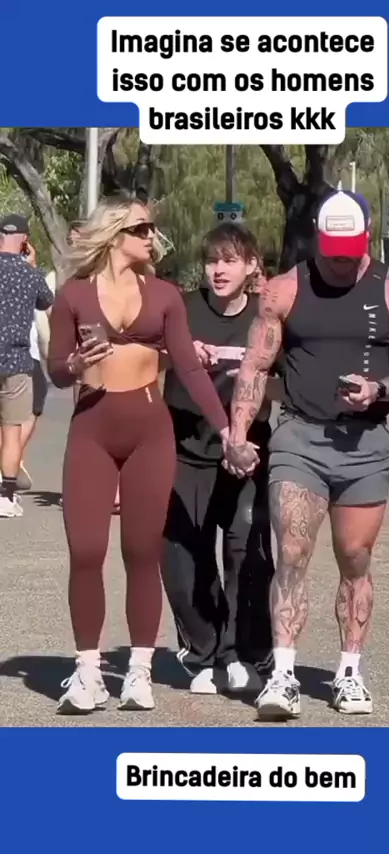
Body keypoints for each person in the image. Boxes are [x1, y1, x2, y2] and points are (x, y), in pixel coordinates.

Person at [224, 189, 389, 720]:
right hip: (300, 438)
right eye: (332, 249)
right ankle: (284, 675)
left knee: (354, 557)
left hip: (365, 445)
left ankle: (349, 673)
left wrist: (380, 389)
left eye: (350, 249)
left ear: (366, 237)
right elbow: (255, 365)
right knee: (292, 553)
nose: (341, 260)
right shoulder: (284, 290)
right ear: (318, 237)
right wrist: (238, 432)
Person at [46, 193, 229, 715]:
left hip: (150, 432)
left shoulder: (165, 295)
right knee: (86, 551)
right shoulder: (74, 295)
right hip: (92, 430)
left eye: (151, 229)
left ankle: (139, 671)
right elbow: (56, 371)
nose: (152, 237)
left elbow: (189, 368)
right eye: (142, 229)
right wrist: (76, 363)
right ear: (114, 236)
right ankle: (88, 672)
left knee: (142, 553)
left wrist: (226, 429)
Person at [161, 223, 276, 695]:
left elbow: (282, 377)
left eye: (229, 260)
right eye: (212, 261)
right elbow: (148, 354)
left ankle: (240, 652)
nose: (218, 270)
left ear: (251, 266)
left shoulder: (267, 316)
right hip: (186, 449)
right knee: (183, 558)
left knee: (245, 553)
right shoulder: (182, 309)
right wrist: (176, 353)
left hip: (247, 453)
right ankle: (203, 651)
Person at [0, 214, 54, 517]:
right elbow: (46, 302)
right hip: (17, 361)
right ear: (24, 240)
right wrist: (32, 265)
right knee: (11, 431)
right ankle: (6, 497)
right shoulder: (29, 275)